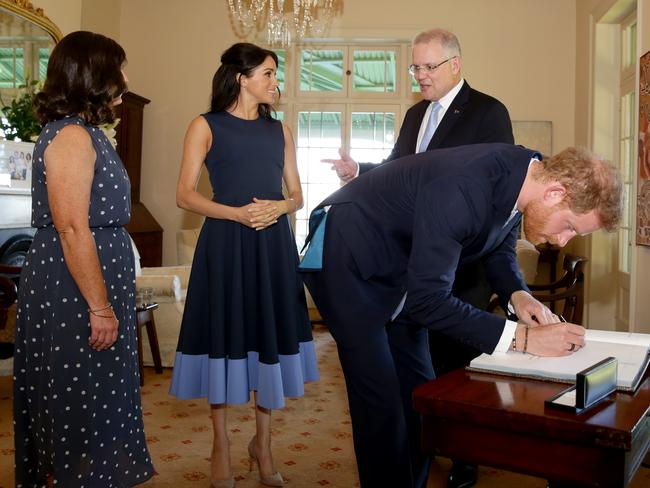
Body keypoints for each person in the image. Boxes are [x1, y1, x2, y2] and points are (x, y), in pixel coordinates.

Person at [301, 143, 622, 488]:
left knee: (422, 395)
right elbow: (429, 302)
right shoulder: (464, 187)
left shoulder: (528, 175)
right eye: (569, 227)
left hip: (401, 266)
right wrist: (523, 337)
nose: (561, 242)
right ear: (555, 193)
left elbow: (498, 243)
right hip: (347, 252)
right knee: (381, 403)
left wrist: (519, 294)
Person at [321, 27, 515, 487]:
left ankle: (465, 459)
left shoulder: (488, 112)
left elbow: (498, 193)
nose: (421, 75)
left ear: (456, 65)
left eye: (429, 67)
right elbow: (401, 169)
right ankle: (417, 463)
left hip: (458, 267)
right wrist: (361, 172)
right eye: (416, 67)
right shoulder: (414, 115)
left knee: (456, 373)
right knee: (417, 380)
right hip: (408, 267)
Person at [169, 42, 319, 488]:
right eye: (269, 73)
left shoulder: (282, 131)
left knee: (266, 336)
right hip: (225, 243)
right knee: (224, 335)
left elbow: (296, 194)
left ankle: (263, 444)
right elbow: (184, 195)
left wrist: (280, 207)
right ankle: (221, 445)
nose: (276, 82)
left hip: (272, 243)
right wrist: (236, 213)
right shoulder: (204, 125)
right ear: (242, 77)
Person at [13, 31, 154, 486]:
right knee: (78, 401)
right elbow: (73, 227)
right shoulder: (72, 136)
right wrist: (99, 305)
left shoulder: (87, 132)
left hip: (88, 279)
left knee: (96, 398)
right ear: (93, 75)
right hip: (72, 287)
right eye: (120, 69)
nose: (126, 79)